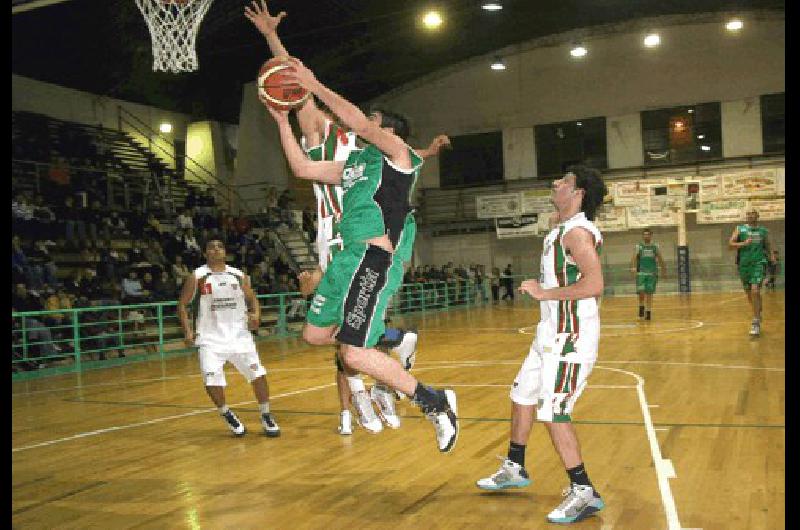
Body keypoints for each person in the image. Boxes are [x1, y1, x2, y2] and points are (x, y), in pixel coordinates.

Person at [246, 0, 448, 437]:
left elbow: (314, 89)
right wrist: (271, 40)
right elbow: (292, 84)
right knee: (321, 335)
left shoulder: (366, 140)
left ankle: (378, 390)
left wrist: (311, 83)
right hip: (333, 235)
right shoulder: (335, 144)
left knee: (352, 343)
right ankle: (390, 350)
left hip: (367, 241)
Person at [475, 166, 607, 524]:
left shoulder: (577, 233)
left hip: (571, 336)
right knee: (521, 395)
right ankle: (515, 465)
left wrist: (543, 292)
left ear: (578, 193)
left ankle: (584, 492)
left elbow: (595, 284)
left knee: (553, 411)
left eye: (564, 181)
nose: (555, 184)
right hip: (549, 331)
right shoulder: (561, 229)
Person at [177, 239, 281, 437]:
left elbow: (252, 299)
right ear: (205, 253)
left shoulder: (238, 275)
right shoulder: (198, 276)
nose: (216, 249)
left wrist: (256, 315)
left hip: (239, 335)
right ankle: (226, 413)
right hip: (209, 338)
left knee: (258, 374)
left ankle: (266, 414)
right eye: (211, 247)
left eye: (220, 246)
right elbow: (182, 304)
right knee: (211, 381)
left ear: (225, 252)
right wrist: (188, 331)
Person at [728, 209, 775, 336]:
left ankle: (755, 322)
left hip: (759, 263)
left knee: (755, 290)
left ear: (757, 216)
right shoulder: (739, 229)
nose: (750, 215)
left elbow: (768, 246)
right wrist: (743, 243)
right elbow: (730, 244)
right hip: (744, 265)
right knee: (750, 294)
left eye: (753, 213)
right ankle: (758, 312)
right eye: (748, 213)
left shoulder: (763, 231)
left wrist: (772, 257)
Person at [630, 228, 667, 321]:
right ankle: (641, 307)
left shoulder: (655, 246)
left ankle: (648, 312)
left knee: (649, 293)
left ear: (651, 236)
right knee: (641, 291)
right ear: (643, 236)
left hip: (652, 273)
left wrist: (663, 269)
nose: (646, 236)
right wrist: (633, 268)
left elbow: (660, 258)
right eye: (645, 234)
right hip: (641, 272)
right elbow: (634, 257)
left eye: (648, 234)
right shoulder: (639, 246)